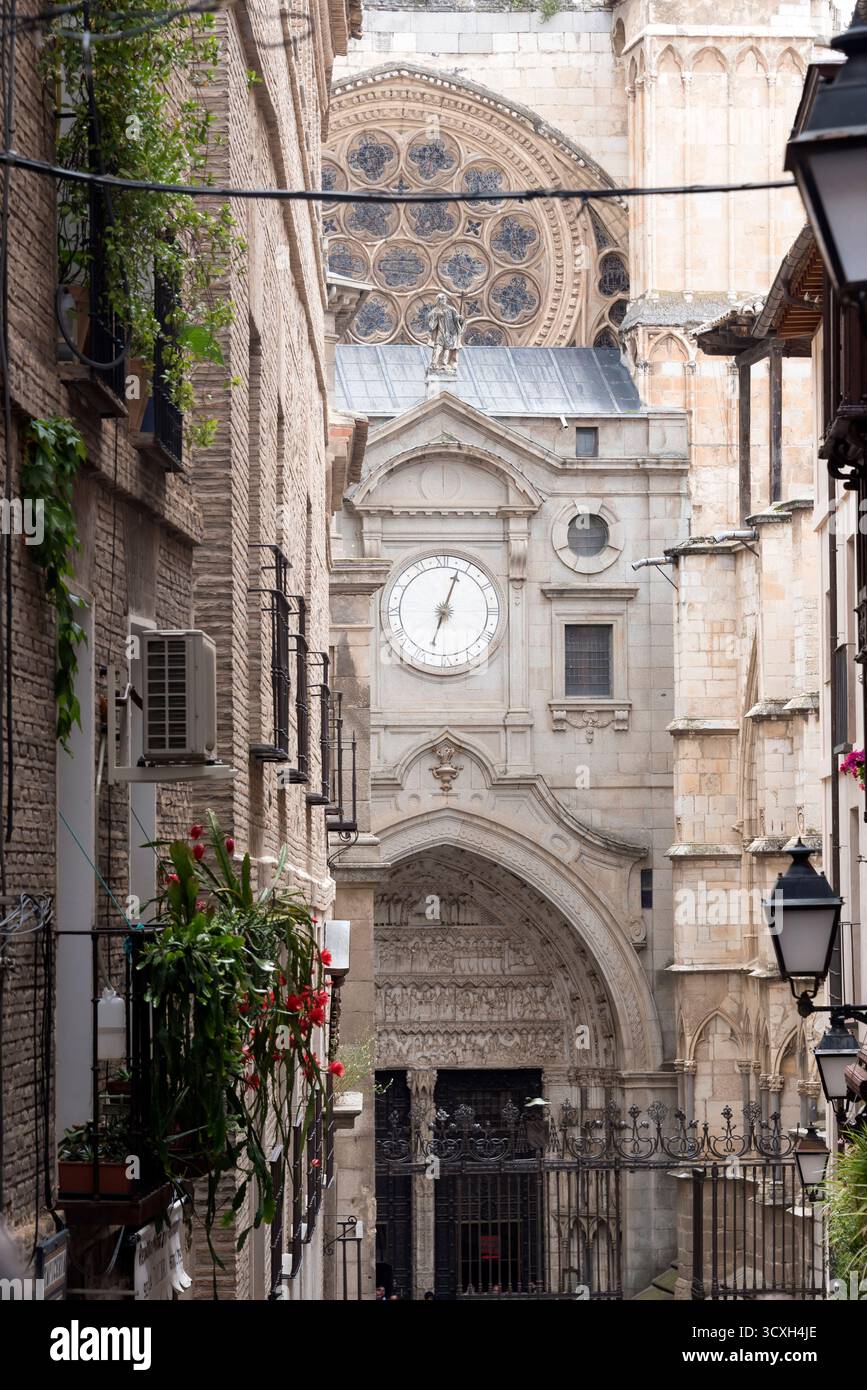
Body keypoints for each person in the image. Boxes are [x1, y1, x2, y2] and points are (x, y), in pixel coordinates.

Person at [427, 292, 463, 374]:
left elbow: (457, 319)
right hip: (440, 332)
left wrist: (460, 319)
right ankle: (434, 363)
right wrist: (436, 315)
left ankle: (444, 364)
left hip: (450, 332)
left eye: (444, 299)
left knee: (447, 348)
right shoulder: (436, 310)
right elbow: (430, 319)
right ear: (438, 300)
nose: (443, 300)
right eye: (441, 299)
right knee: (438, 347)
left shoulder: (451, 309)